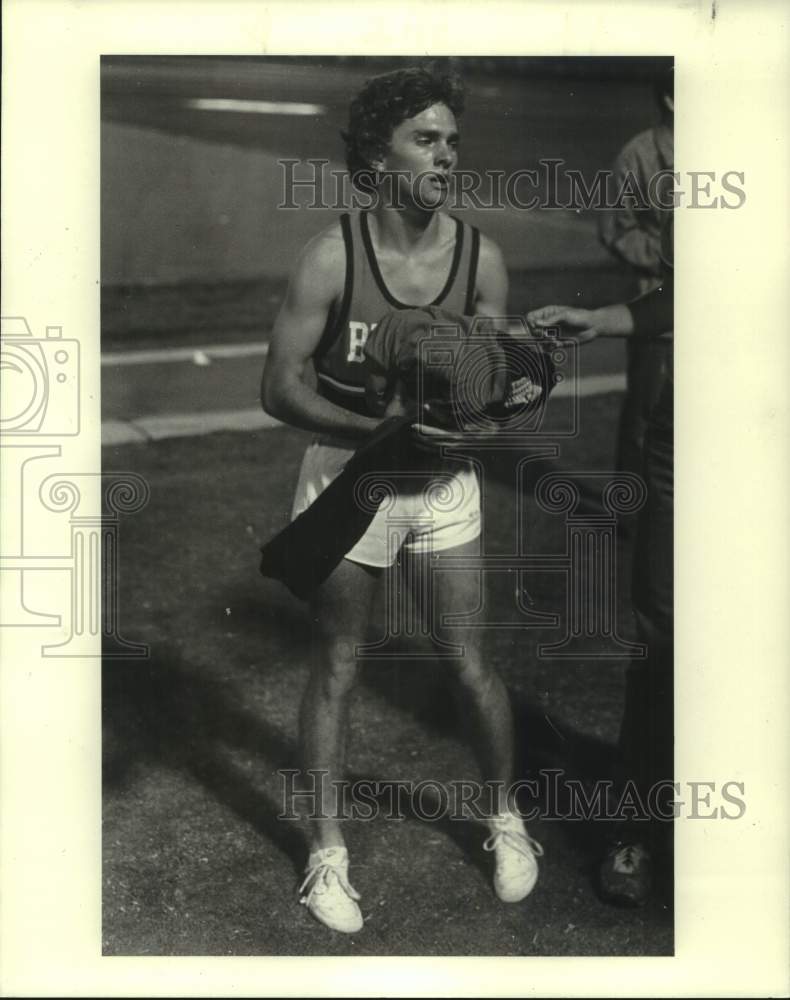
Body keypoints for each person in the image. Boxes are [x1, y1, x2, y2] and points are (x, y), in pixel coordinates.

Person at [261, 65, 543, 934]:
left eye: (453, 140)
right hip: (351, 480)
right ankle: (328, 857)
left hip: (443, 487)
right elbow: (277, 387)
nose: (446, 155)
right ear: (377, 158)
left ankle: (505, 821)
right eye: (426, 139)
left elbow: (497, 386)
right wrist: (375, 431)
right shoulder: (331, 256)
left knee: (468, 662)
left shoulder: (479, 258)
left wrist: (488, 423)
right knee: (340, 666)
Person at [528, 213, 673, 907]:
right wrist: (607, 319)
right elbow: (698, 291)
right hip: (695, 429)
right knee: (664, 638)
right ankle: (634, 828)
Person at [598, 66, 673, 483]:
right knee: (645, 418)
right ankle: (631, 516)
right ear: (671, 100)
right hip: (656, 311)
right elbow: (615, 229)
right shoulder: (638, 154)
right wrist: (674, 257)